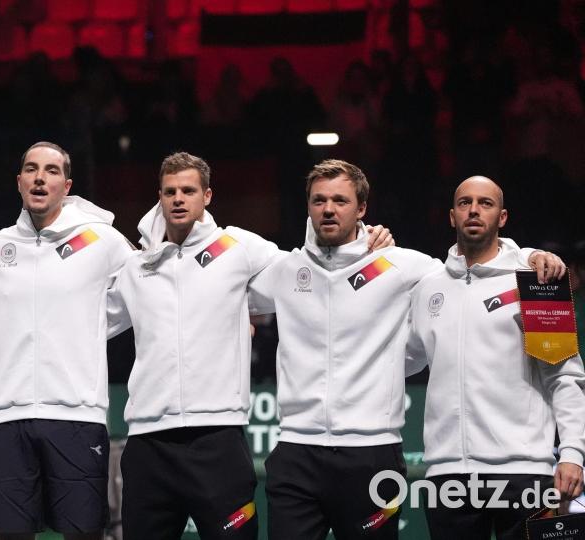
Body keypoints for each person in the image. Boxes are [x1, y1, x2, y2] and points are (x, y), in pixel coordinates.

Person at [247, 161, 564, 540]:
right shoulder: (285, 270)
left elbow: (474, 266)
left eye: (340, 200)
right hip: (301, 450)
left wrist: (529, 257)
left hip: (379, 455)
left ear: (362, 209)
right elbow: (219, 288)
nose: (329, 208)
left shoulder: (405, 266)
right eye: (319, 200)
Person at [105, 152, 392, 540]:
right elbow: (91, 323)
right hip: (147, 443)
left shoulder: (237, 247)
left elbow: (311, 277)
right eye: (170, 191)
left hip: (218, 441)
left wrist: (365, 242)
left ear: (207, 196)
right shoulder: (138, 267)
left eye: (188, 190)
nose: (178, 199)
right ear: (159, 195)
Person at [0, 141, 134, 539]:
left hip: (78, 416)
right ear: (19, 181)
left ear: (67, 184)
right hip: (7, 418)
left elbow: (148, 290)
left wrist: (91, 324)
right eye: (31, 169)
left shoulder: (102, 242)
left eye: (52, 170)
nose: (40, 177)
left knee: (83, 533)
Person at [406, 176, 585, 540]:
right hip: (447, 474)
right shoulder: (427, 288)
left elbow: (564, 376)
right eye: (465, 203)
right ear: (451, 216)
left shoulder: (537, 280)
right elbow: (404, 361)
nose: (474, 210)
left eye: (485, 204)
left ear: (502, 217)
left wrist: (572, 453)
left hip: (523, 470)